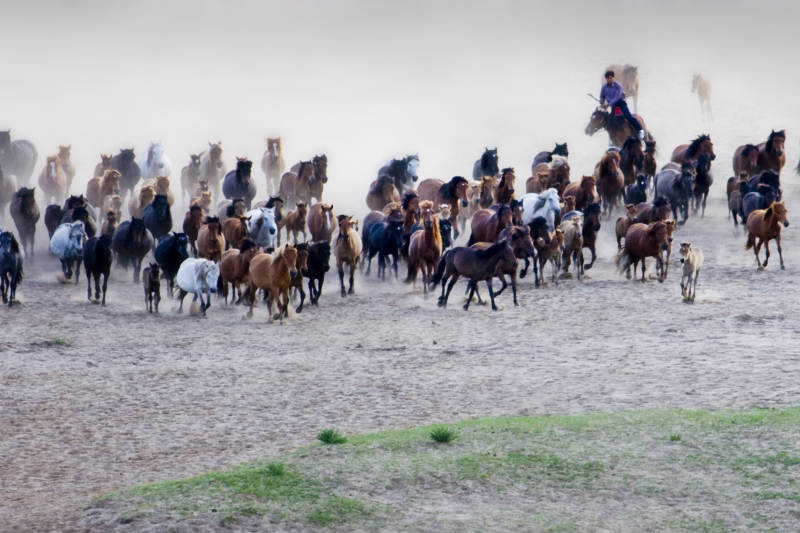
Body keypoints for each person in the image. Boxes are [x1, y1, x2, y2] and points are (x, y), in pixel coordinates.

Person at [600, 70, 645, 140]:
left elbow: (617, 97)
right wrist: (602, 102)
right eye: (608, 78)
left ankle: (640, 130)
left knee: (628, 116)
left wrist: (608, 104)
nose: (610, 79)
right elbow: (602, 96)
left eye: (611, 78)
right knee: (611, 120)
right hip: (614, 106)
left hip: (620, 104)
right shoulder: (604, 87)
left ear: (613, 78)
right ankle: (612, 138)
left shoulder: (618, 86)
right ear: (606, 79)